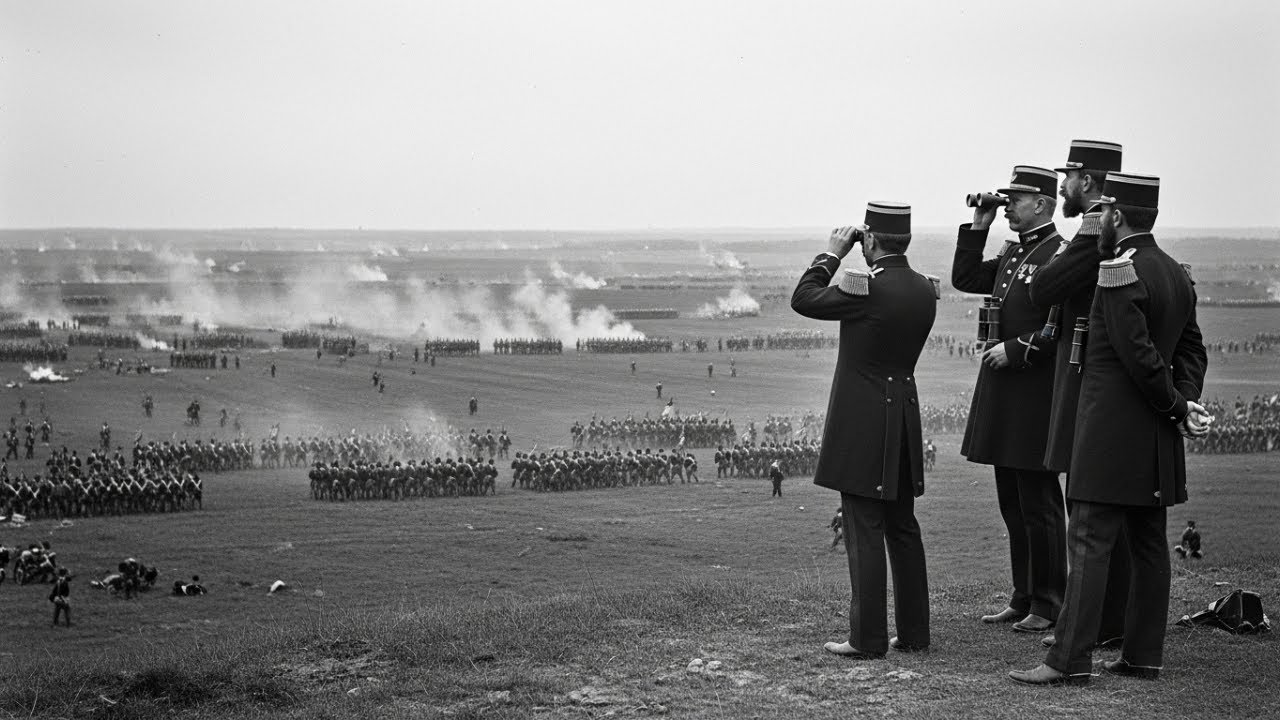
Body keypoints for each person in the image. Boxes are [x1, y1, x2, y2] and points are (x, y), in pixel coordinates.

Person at [1010, 172, 1209, 686]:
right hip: (1155, 438)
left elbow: (1136, 357)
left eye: (1103, 214)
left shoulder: (1119, 273)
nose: (1097, 220)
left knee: (1090, 541)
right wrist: (1183, 402)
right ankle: (1143, 656)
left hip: (1111, 432)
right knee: (1148, 544)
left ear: (1115, 216)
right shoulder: (1174, 273)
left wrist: (1172, 403)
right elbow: (1191, 350)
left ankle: (1068, 660)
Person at [792, 201, 938, 659]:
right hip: (903, 418)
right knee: (903, 526)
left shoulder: (867, 289)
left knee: (864, 529)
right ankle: (915, 632)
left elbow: (805, 299)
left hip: (864, 423)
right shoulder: (922, 288)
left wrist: (831, 254)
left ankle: (867, 638)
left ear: (868, 240)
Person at [953, 165, 1067, 634]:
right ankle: (1023, 596)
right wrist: (978, 226)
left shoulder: (1060, 254)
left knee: (1040, 506)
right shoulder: (1015, 252)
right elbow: (964, 277)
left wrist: (1019, 349)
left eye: (1014, 201)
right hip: (1007, 392)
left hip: (1035, 394)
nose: (1007, 208)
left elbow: (1064, 327)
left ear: (1041, 203)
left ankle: (1050, 601)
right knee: (1012, 505)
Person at [1030, 140, 1129, 651]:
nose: (1062, 186)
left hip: (1086, 376)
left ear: (1086, 181)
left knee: (1088, 517)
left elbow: (1042, 288)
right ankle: (1110, 623)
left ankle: (1093, 625)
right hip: (1088, 375)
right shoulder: (1108, 225)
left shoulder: (1094, 229)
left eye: (1067, 177)